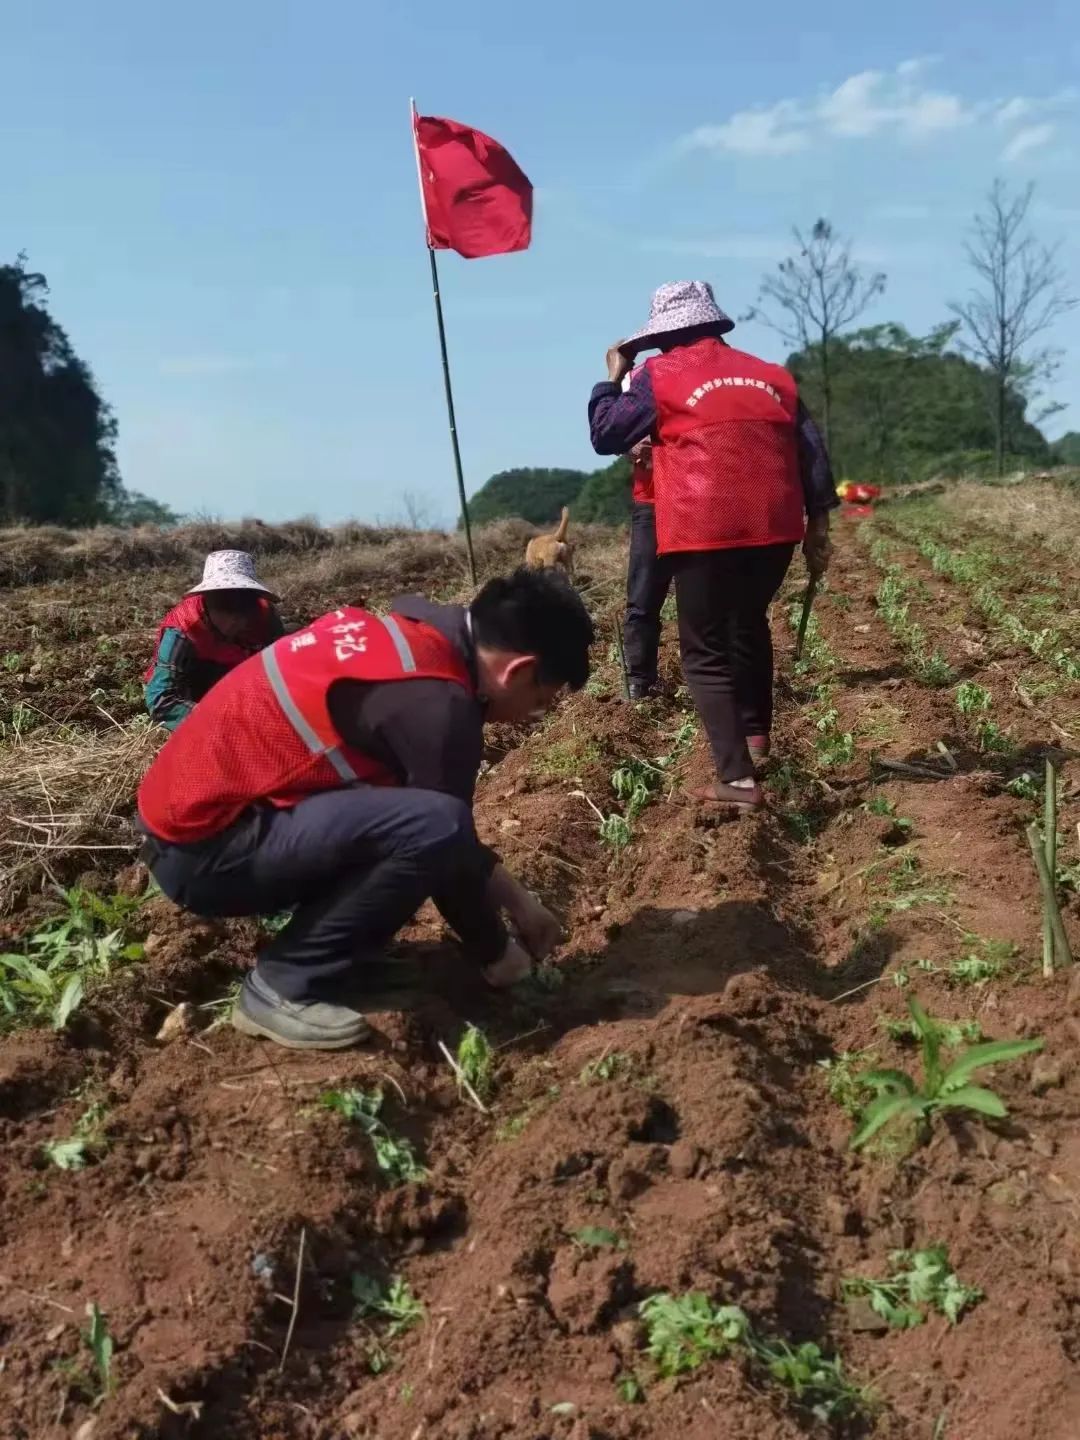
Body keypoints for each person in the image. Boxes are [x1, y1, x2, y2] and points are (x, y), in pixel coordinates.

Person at [136, 567, 594, 1050]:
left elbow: (443, 836)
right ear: (517, 670)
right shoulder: (437, 706)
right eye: (538, 700)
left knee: (421, 822)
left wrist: (520, 903)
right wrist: (501, 957)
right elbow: (446, 848)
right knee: (431, 826)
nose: (530, 715)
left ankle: (340, 958)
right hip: (204, 849)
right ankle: (283, 983)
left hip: (194, 821)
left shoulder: (413, 639)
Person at [589, 280, 837, 809]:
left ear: (663, 336)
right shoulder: (772, 375)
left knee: (702, 651)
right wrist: (819, 525)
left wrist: (611, 379)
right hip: (776, 527)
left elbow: (606, 435)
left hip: (704, 525)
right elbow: (812, 452)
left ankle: (738, 782)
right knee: (748, 621)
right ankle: (755, 738)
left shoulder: (657, 374)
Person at [144, 550, 285, 731]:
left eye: (244, 608)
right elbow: (162, 701)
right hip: (197, 687)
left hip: (241, 680)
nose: (237, 620)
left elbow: (284, 670)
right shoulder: (183, 628)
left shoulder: (264, 616)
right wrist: (226, 723)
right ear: (208, 602)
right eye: (226, 607)